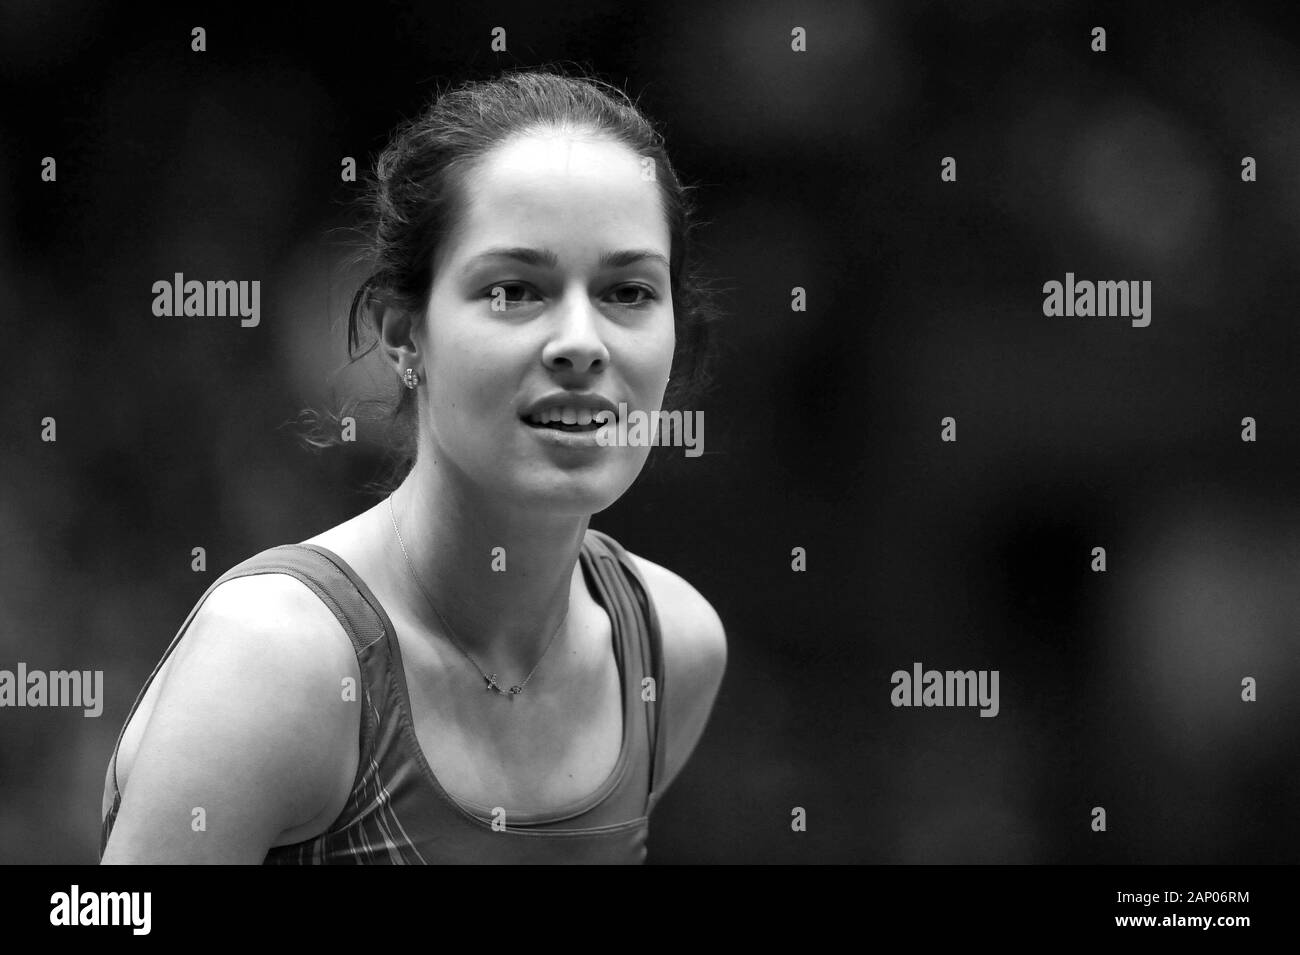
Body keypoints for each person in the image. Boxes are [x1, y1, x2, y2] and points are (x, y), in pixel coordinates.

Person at [98, 66, 726, 864]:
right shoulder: (277, 663)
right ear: (403, 334)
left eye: (629, 291)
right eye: (514, 289)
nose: (581, 341)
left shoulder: (671, 649)